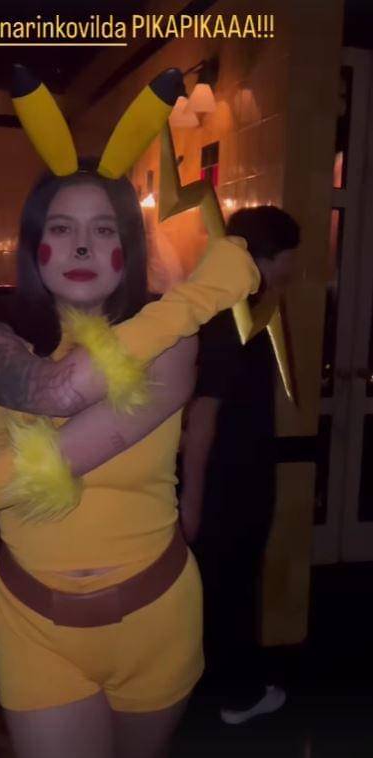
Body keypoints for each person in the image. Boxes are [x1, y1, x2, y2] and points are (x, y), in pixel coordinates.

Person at [0, 69, 261, 758]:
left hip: (156, 620)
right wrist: (198, 297)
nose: (83, 247)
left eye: (103, 229)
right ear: (36, 245)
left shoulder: (169, 345)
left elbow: (53, 461)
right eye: (62, 228)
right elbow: (57, 391)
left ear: (128, 249)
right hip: (34, 629)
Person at [180, 205, 300, 726]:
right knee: (230, 587)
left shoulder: (234, 307)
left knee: (225, 586)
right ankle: (238, 696)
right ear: (269, 257)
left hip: (236, 478)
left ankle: (222, 688)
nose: (294, 267)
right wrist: (192, 503)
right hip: (229, 484)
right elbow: (204, 416)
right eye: (290, 255)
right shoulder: (234, 317)